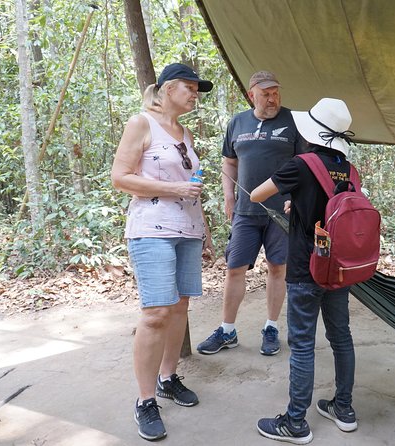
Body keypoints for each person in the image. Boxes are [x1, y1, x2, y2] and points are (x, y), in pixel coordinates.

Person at [110, 63, 214, 441]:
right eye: (190, 87)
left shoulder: (184, 132)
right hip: (151, 229)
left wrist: (204, 232)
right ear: (168, 89)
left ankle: (169, 378)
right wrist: (176, 191)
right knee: (155, 313)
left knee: (181, 307)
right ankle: (145, 399)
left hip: (187, 230)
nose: (195, 94)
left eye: (197, 89)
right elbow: (120, 177)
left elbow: (193, 186)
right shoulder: (141, 123)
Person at [251, 98, 359, 444]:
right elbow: (335, 208)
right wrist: (296, 201)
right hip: (339, 269)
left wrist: (289, 195)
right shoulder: (349, 168)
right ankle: (344, 408)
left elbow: (256, 195)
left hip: (305, 267)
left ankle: (296, 422)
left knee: (301, 346)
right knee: (341, 337)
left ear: (312, 131)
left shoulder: (301, 164)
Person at [197, 70, 303, 356]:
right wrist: (228, 197)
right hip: (245, 211)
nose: (273, 98)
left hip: (282, 210)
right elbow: (229, 163)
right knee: (234, 269)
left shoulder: (294, 121)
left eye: (276, 92)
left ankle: (271, 327)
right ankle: (227, 330)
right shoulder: (237, 122)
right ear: (251, 95)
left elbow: (306, 164)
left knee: (277, 267)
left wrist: (298, 198)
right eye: (266, 93)